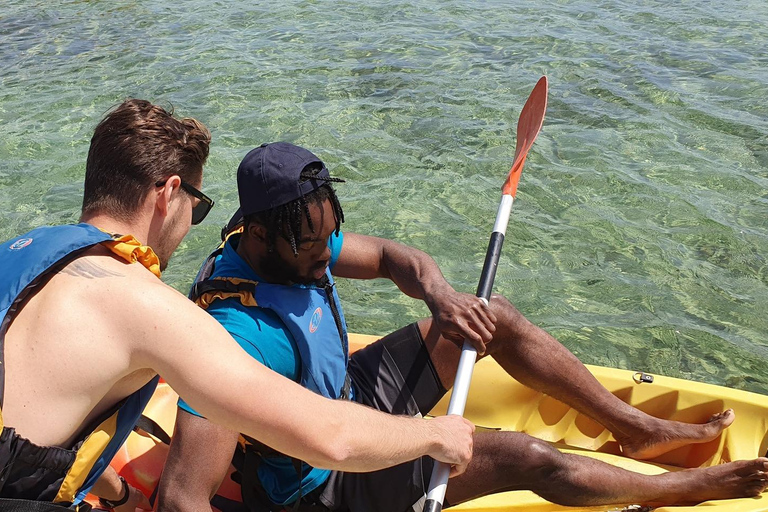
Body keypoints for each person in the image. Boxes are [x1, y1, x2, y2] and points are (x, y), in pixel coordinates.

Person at [157, 142, 768, 512]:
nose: (328, 259)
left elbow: (396, 258)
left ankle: (634, 428)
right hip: (325, 483)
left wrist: (444, 299)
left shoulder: (290, 234)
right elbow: (183, 494)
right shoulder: (232, 335)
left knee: (488, 315)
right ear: (261, 234)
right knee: (520, 453)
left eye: (328, 241)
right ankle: (683, 489)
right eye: (312, 252)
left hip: (347, 393)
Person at [0, 102, 475, 510]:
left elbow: (41, 433)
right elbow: (330, 435)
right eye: (198, 206)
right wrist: (436, 436)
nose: (192, 225)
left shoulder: (21, 252)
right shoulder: (147, 306)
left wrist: (120, 495)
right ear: (169, 194)